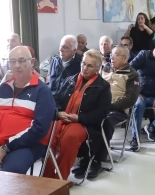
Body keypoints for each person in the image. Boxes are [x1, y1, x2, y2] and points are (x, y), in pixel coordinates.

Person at [42, 50, 111, 180]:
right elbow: (55, 99)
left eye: (89, 66)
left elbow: (102, 113)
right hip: (63, 118)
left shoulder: (103, 87)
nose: (84, 68)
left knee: (69, 138)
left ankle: (60, 178)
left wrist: (79, 118)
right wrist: (59, 112)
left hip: (84, 123)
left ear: (97, 68)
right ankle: (47, 177)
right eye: (83, 64)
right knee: (46, 135)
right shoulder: (70, 80)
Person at [99, 45, 140, 161]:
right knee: (85, 118)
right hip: (99, 106)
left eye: (116, 55)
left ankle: (99, 158)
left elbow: (131, 98)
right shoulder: (105, 68)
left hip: (117, 110)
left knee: (105, 122)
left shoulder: (133, 74)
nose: (112, 58)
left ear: (125, 59)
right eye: (111, 54)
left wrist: (110, 106)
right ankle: (85, 155)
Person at [49, 35, 82, 101]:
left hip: (68, 101)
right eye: (60, 46)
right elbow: (50, 81)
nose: (61, 50)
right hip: (51, 98)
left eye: (65, 47)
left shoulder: (80, 64)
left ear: (74, 50)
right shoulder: (54, 60)